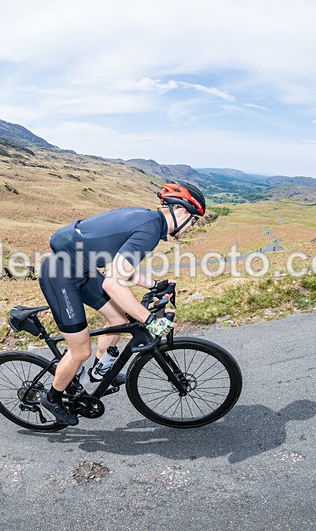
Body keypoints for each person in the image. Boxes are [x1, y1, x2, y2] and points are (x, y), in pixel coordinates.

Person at [37, 180, 206, 425]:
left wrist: (154, 285)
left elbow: (121, 268)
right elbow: (113, 284)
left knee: (118, 319)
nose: (192, 226)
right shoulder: (149, 230)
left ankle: (99, 371)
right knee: (80, 350)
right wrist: (150, 320)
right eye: (193, 219)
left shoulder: (149, 221)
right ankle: (52, 398)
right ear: (180, 211)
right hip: (59, 275)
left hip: (82, 269)